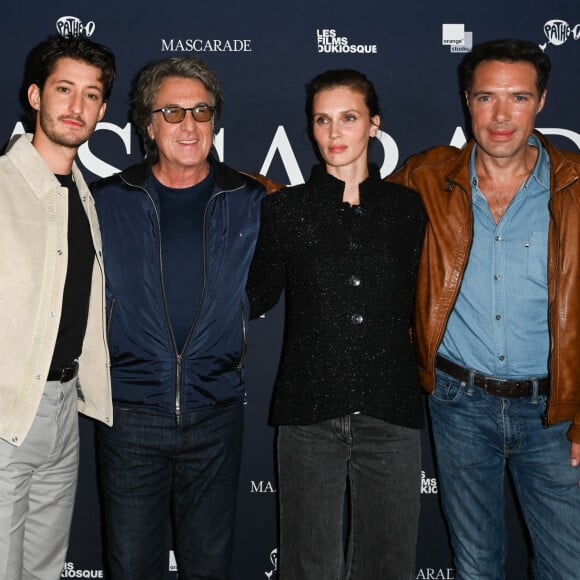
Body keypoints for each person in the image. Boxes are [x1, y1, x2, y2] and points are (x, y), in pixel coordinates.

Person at [387, 38, 580, 579]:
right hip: (458, 404)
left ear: (541, 102)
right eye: (486, 98)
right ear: (466, 101)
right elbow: (352, 215)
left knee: (568, 567)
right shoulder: (426, 177)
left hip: (556, 414)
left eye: (518, 98)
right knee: (475, 567)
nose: (500, 116)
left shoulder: (576, 186)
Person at [92, 57, 269, 580]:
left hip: (216, 412)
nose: (188, 124)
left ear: (215, 120)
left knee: (209, 567)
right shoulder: (107, 201)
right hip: (129, 412)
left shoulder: (253, 200)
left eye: (200, 110)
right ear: (148, 124)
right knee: (129, 567)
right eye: (171, 112)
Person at [247, 69, 427, 580]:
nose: (334, 133)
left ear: (374, 124)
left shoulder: (407, 208)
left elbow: (427, 299)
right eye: (322, 120)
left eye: (348, 118)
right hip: (308, 413)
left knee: (388, 565)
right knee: (308, 567)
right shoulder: (286, 210)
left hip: (391, 410)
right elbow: (255, 297)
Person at [0, 34, 116, 579]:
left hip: (65, 409)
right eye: (64, 89)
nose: (76, 106)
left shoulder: (83, 194)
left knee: (44, 570)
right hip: (6, 415)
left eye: (91, 95)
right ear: (35, 96)